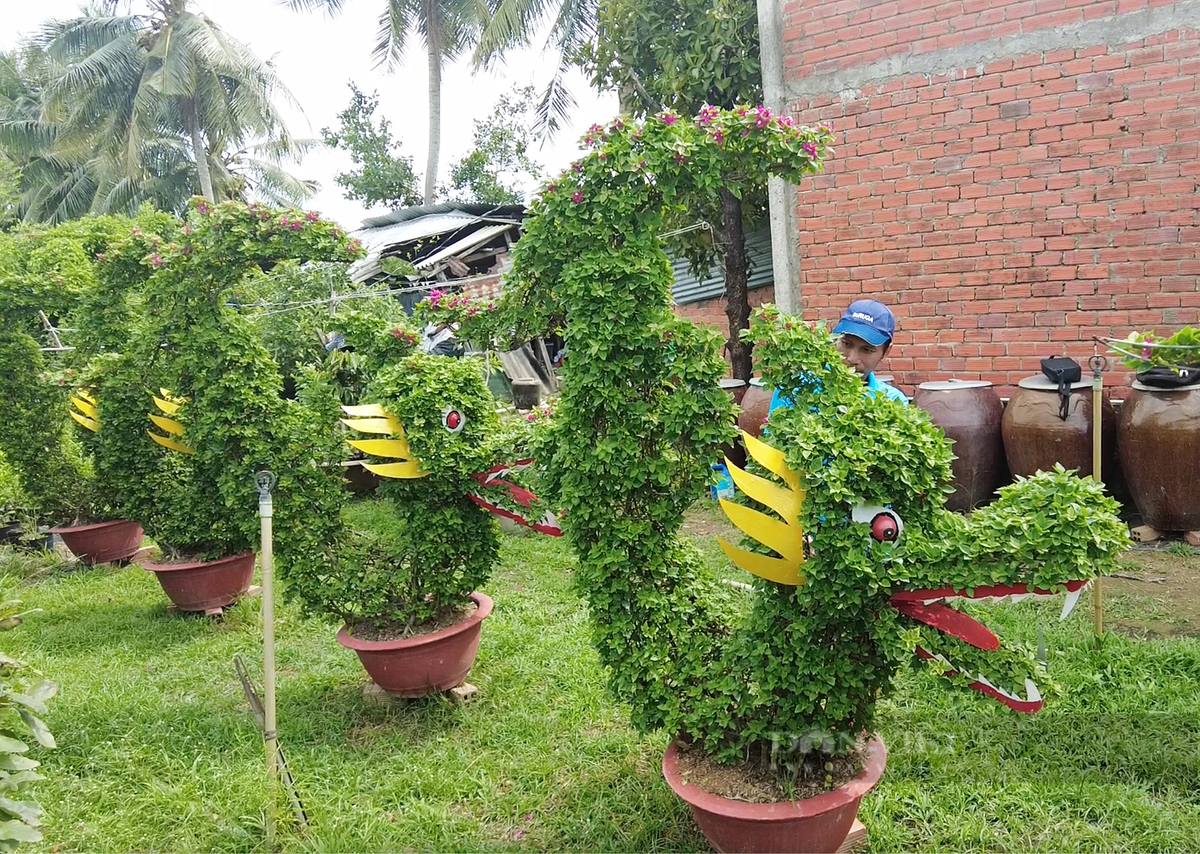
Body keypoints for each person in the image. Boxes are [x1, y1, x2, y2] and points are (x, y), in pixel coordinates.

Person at [768, 299, 908, 415]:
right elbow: (771, 443)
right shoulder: (796, 386)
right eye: (846, 343)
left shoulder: (893, 401)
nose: (852, 358)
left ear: (886, 352)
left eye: (867, 350)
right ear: (834, 339)